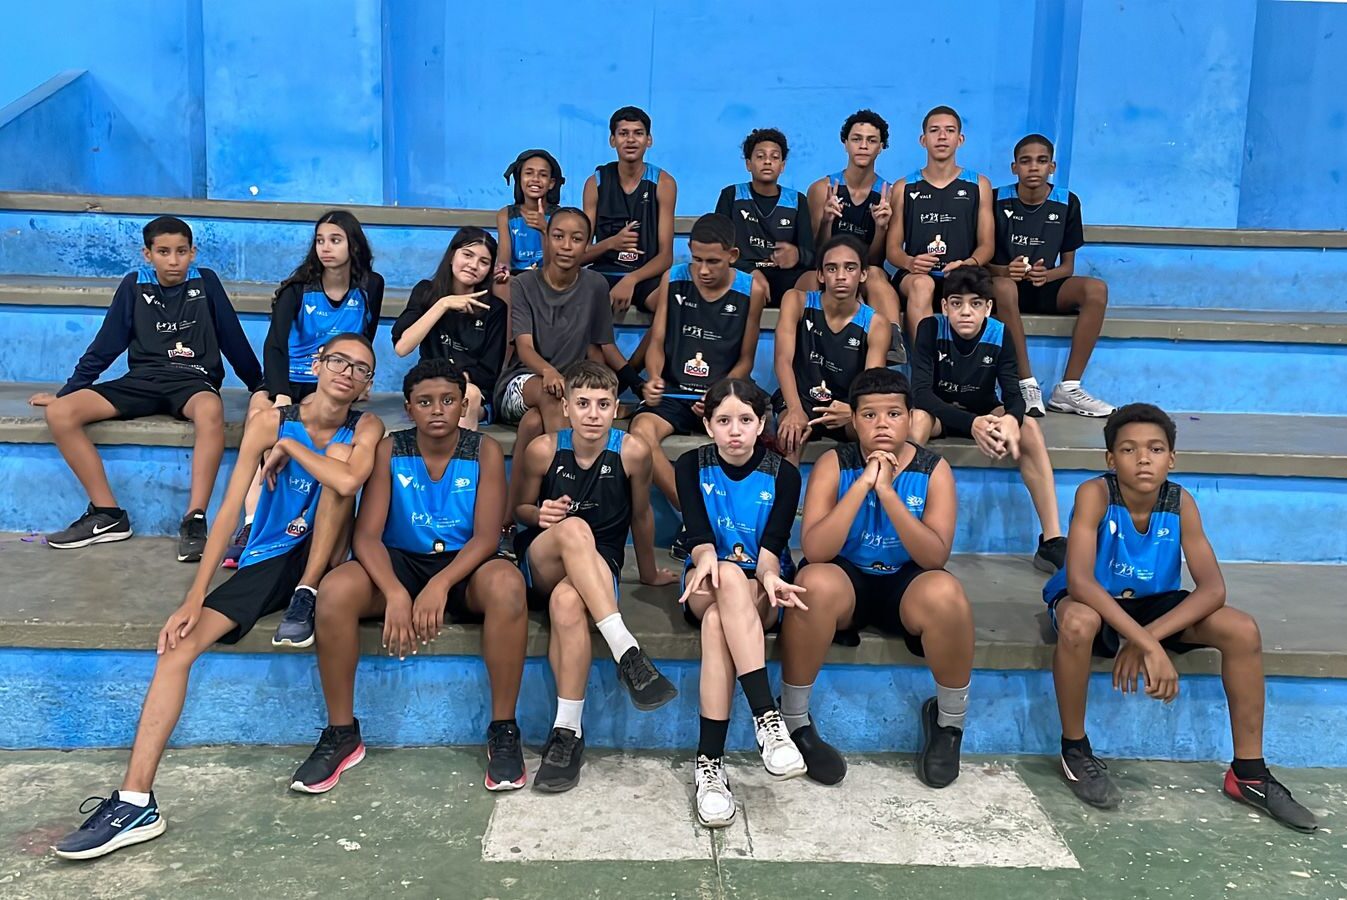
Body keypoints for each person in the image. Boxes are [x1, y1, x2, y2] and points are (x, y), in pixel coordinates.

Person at [52, 334, 384, 860]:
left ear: (367, 386)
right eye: (339, 361)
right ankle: (135, 800)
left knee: (340, 463)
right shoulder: (270, 421)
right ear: (318, 365)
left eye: (361, 368)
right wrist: (194, 595)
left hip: (330, 562)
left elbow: (347, 481)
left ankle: (307, 590)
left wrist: (292, 449)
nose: (348, 372)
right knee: (177, 647)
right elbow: (229, 510)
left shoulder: (365, 427)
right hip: (268, 558)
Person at [1043, 403, 1316, 832]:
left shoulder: (1180, 502)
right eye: (1129, 450)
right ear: (1111, 459)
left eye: (1155, 449)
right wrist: (1147, 644)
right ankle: (1074, 749)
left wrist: (1148, 637)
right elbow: (1080, 582)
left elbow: (1213, 589)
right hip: (1094, 599)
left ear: (1171, 458)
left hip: (1153, 605)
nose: (1143, 458)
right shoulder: (1095, 494)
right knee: (1080, 622)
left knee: (1241, 629)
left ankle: (1249, 774)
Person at [290, 358, 529, 794]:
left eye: (448, 400)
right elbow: (366, 537)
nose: (437, 410)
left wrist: (440, 584)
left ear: (463, 405)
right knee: (336, 590)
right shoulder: (390, 449)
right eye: (425, 402)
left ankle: (503, 729)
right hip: (400, 561)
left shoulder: (484, 450)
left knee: (508, 586)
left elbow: (485, 537)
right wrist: (396, 592)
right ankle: (341, 733)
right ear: (408, 408)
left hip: (462, 565)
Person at [29, 216, 265, 564]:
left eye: (181, 251)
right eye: (164, 252)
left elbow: (232, 338)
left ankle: (194, 519)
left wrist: (259, 385)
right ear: (147, 254)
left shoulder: (206, 282)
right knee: (60, 413)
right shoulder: (134, 285)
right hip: (142, 381)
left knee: (210, 409)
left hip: (192, 379)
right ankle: (108, 514)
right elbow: (106, 344)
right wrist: (70, 391)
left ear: (193, 252)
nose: (173, 260)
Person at [778, 368, 973, 789]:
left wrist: (887, 492)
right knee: (812, 583)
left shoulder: (933, 469)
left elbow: (934, 556)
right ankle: (794, 721)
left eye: (893, 414)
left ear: (910, 418)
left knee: (947, 593)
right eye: (869, 415)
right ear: (853, 420)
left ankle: (949, 725)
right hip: (848, 581)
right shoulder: (835, 463)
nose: (882, 424)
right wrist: (864, 483)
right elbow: (816, 549)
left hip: (907, 581)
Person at [510, 361, 678, 793]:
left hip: (599, 565)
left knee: (569, 602)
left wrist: (648, 570)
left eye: (603, 404)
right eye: (582, 403)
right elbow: (519, 510)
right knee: (574, 529)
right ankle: (626, 649)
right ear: (566, 407)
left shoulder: (632, 452)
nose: (592, 413)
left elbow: (641, 514)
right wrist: (539, 513)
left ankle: (567, 731)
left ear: (616, 409)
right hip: (546, 556)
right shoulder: (544, 449)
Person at [675, 377, 808, 828]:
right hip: (704, 578)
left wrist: (770, 577)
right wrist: (708, 559)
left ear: (761, 423)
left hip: (759, 589)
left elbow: (771, 553)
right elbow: (699, 539)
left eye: (745, 420)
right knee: (725, 575)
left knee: (719, 621)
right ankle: (767, 719)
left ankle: (709, 766)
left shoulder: (784, 475)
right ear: (708, 425)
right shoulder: (690, 465)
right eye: (724, 420)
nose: (735, 431)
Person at [224, 210, 383, 567]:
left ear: (354, 246)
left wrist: (360, 379)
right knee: (261, 413)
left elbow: (365, 337)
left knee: (313, 413)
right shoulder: (297, 288)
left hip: (330, 378)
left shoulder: (371, 285)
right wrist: (280, 392)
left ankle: (301, 523)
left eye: (335, 240)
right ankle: (252, 521)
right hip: (288, 375)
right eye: (320, 240)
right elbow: (275, 345)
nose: (325, 248)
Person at [908, 266, 1066, 572]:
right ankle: (905, 523)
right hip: (941, 414)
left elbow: (1014, 395)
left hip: (984, 412)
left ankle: (1052, 540)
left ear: (988, 307)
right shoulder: (930, 328)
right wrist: (971, 424)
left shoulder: (1000, 332)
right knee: (917, 419)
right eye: (957, 303)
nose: (966, 312)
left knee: (1029, 427)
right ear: (945, 306)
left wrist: (1011, 420)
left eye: (975, 303)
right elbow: (921, 393)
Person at [631, 213, 767, 508]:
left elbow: (746, 361)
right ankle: (691, 511)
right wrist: (654, 376)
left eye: (713, 261)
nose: (703, 270)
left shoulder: (751, 290)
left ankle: (736, 514)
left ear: (732, 255)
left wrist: (718, 394)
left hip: (724, 392)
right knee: (640, 433)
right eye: (697, 260)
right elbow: (657, 341)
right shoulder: (673, 278)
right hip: (674, 392)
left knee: (746, 433)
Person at [491, 207, 637, 458]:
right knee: (552, 394)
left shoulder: (596, 285)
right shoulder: (523, 284)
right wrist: (548, 371)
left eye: (576, 239)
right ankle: (570, 472)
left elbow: (597, 349)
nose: (567, 246)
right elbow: (524, 348)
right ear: (546, 239)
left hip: (570, 388)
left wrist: (602, 391)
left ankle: (529, 485)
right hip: (523, 382)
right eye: (558, 237)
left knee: (533, 423)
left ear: (587, 245)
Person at [990, 134, 1114, 417]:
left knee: (1096, 290)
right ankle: (1026, 383)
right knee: (1004, 287)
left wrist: (1047, 275)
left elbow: (1067, 267)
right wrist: (1005, 270)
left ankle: (1069, 388)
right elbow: (981, 260)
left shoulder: (1067, 202)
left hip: (1045, 286)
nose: (1034, 167)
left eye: (1042, 161)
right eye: (1026, 161)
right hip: (1005, 289)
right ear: (1014, 167)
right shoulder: (995, 199)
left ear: (1052, 166)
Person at [886, 106, 1022, 360]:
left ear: (960, 139)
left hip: (963, 272)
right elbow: (892, 249)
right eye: (934, 130)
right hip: (917, 275)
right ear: (923, 140)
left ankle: (971, 370)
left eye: (949, 131)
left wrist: (968, 263)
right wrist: (910, 262)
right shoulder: (904, 187)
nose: (942, 137)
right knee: (922, 285)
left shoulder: (979, 184)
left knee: (972, 292)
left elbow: (987, 245)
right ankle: (926, 372)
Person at [774, 234, 892, 466]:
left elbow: (870, 383)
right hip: (801, 398)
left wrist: (854, 410)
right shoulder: (796, 301)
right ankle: (787, 490)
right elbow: (782, 360)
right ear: (820, 275)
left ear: (863, 274)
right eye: (831, 268)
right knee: (790, 435)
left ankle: (869, 488)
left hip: (846, 404)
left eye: (850, 268)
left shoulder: (876, 323)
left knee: (875, 435)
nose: (840, 276)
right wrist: (795, 410)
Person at [797, 109, 903, 351]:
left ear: (881, 147)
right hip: (827, 270)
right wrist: (826, 221)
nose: (863, 146)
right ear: (845, 143)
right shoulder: (821, 189)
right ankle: (813, 350)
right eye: (856, 139)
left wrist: (881, 229)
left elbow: (876, 260)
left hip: (865, 271)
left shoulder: (889, 194)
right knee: (815, 278)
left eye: (871, 140)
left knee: (874, 274)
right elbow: (814, 253)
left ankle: (893, 345)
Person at [392, 227, 507, 430]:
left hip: (473, 390)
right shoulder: (426, 292)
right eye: (467, 255)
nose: (473, 265)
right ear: (452, 256)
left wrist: (453, 381)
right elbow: (402, 347)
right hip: (429, 382)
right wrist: (443, 304)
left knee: (466, 395)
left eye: (484, 262)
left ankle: (460, 451)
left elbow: (489, 371)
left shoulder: (495, 308)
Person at [581, 106, 676, 318]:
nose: (631, 140)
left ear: (649, 140)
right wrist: (611, 243)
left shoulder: (664, 183)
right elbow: (581, 254)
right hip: (603, 274)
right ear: (612, 140)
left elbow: (666, 257)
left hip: (644, 275)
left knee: (671, 303)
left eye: (638, 133)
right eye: (623, 133)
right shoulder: (595, 183)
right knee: (572, 296)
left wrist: (631, 280)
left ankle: (650, 343)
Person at [715, 127, 815, 306]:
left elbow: (810, 255)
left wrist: (797, 254)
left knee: (813, 279)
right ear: (748, 164)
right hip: (742, 273)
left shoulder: (797, 200)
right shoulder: (731, 195)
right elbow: (719, 247)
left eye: (774, 157)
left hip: (784, 277)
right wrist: (750, 271)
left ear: (782, 165)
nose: (767, 162)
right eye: (760, 156)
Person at [495, 149, 564, 294]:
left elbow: (558, 261)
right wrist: (502, 270)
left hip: (549, 275)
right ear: (519, 179)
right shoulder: (506, 215)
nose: (535, 179)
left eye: (543, 175)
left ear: (551, 183)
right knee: (500, 285)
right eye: (528, 173)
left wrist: (545, 229)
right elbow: (504, 258)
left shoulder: (560, 216)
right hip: (517, 277)